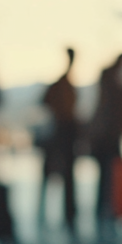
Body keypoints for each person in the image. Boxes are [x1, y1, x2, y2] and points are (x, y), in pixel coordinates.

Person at [87, 53, 122, 219]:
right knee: (109, 175)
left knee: (109, 175)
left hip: (108, 135)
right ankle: (106, 208)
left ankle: (107, 208)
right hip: (108, 136)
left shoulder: (114, 84)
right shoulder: (113, 85)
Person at [40, 48, 79, 231]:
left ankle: (67, 215)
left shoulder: (65, 83)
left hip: (64, 130)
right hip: (62, 130)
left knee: (65, 176)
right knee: (57, 174)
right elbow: (45, 101)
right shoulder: (62, 84)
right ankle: (61, 214)